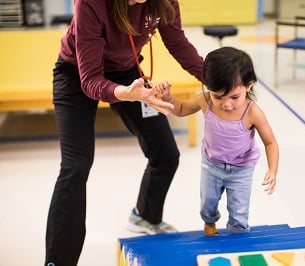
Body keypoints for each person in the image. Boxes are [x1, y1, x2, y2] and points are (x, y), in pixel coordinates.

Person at [45, 0, 203, 265]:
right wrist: (126, 93)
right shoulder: (91, 3)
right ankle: (57, 261)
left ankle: (145, 215)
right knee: (76, 166)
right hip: (76, 73)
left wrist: (218, 79)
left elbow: (177, 43)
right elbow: (91, 80)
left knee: (165, 153)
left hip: (127, 72)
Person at [157, 47, 279, 236]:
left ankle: (237, 238)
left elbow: (270, 142)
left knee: (239, 211)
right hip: (211, 164)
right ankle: (209, 222)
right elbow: (180, 109)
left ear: (249, 86)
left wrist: (272, 170)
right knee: (207, 203)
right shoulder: (205, 100)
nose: (226, 104)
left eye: (234, 97)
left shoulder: (253, 112)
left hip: (241, 169)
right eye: (218, 96)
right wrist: (169, 97)